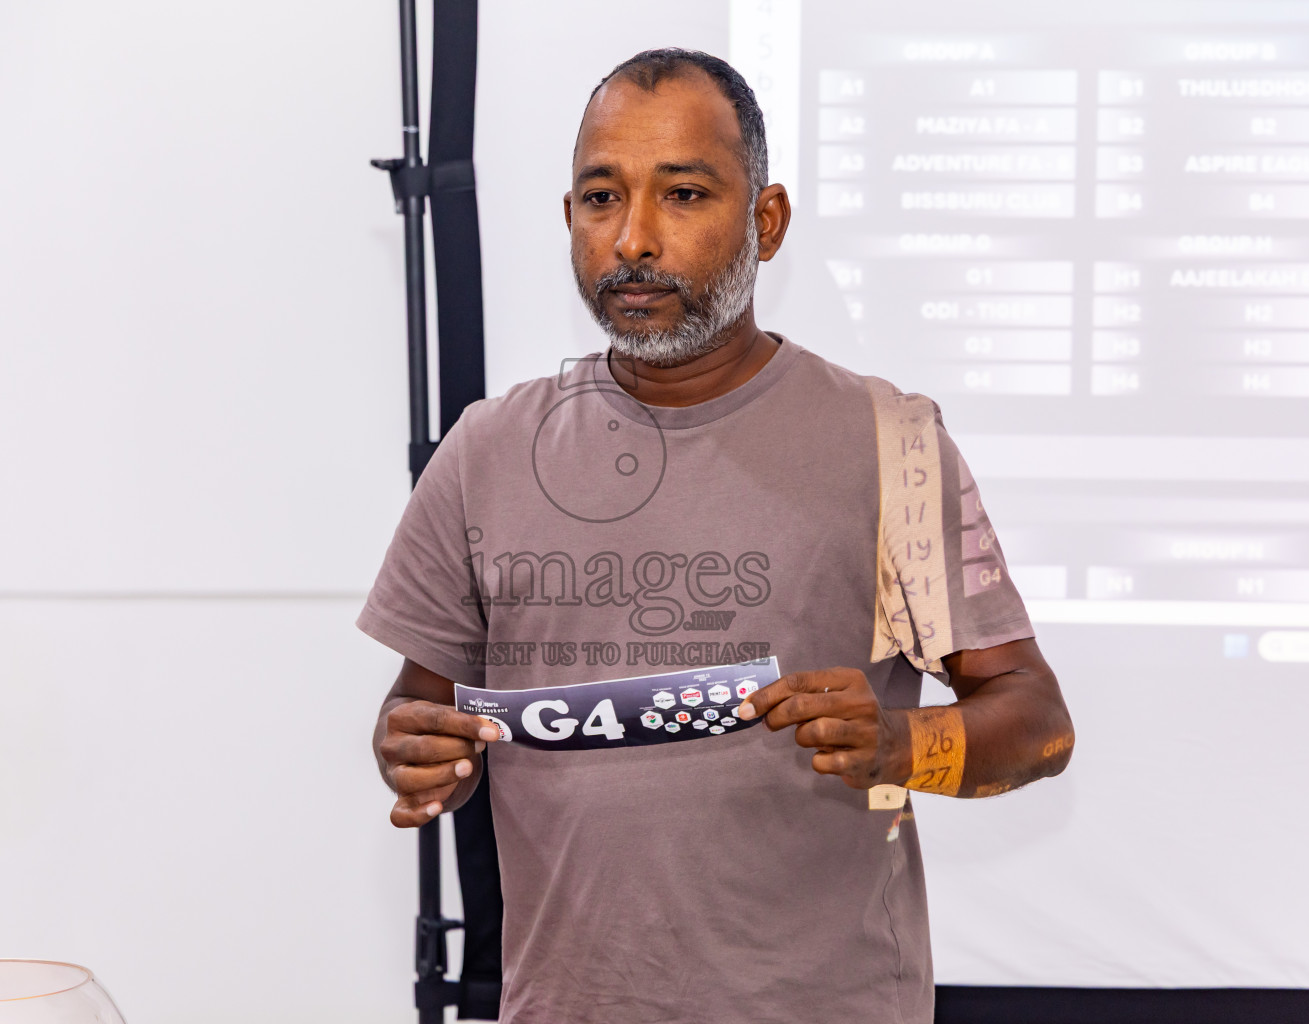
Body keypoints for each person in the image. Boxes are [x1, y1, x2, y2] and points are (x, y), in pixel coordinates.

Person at [360, 47, 1074, 1023]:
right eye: (602, 198)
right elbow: (417, 714)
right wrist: (412, 751)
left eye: (685, 194)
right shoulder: (487, 451)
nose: (635, 240)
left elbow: (1036, 723)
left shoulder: (889, 442)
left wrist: (900, 743)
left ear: (765, 221)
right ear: (569, 219)